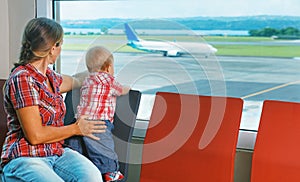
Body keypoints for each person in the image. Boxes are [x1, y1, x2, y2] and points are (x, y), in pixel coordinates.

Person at [1, 17, 106, 182]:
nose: (61, 49)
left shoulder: (50, 77)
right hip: (27, 156)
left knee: (93, 177)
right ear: (52, 48)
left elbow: (75, 80)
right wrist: (77, 129)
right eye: (60, 44)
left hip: (56, 152)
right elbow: (35, 135)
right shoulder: (22, 79)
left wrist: (100, 72)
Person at [75, 46, 130, 182]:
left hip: (80, 121)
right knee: (104, 148)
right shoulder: (109, 80)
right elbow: (121, 90)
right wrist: (128, 88)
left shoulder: (87, 80)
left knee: (79, 147)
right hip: (99, 122)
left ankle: (81, 169)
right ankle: (110, 172)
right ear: (108, 67)